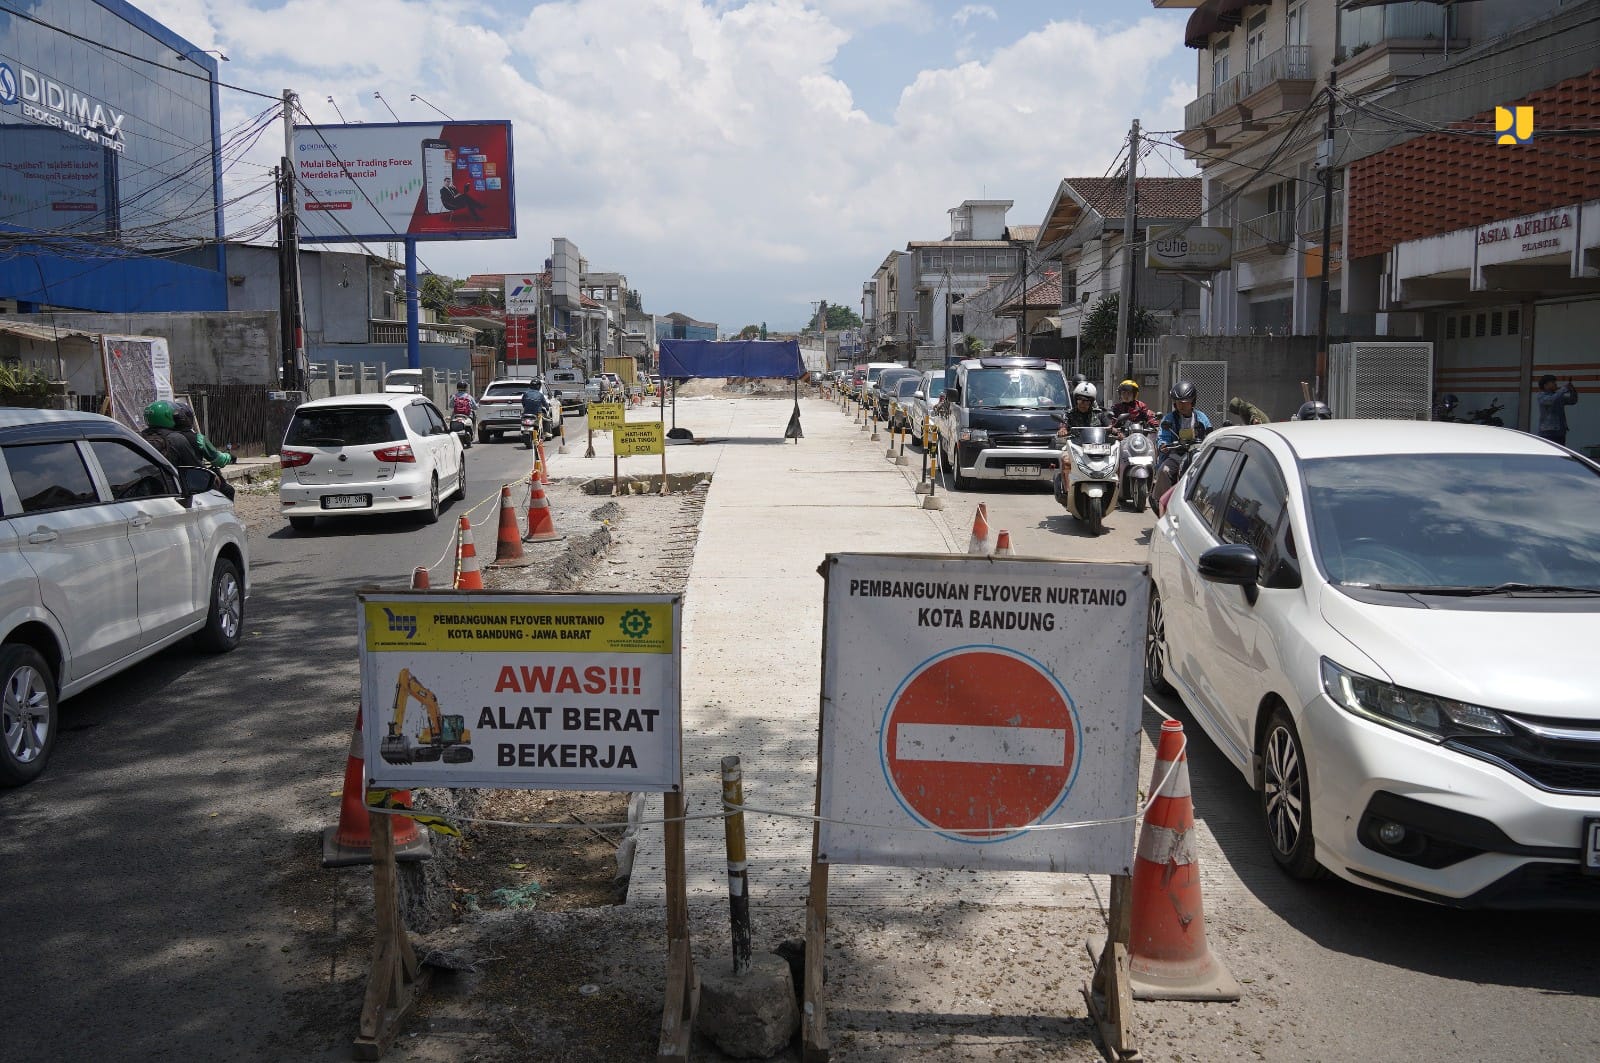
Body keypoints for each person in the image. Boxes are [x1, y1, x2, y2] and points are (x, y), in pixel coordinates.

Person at [1152, 380, 1213, 508]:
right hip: (1176, 455)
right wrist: (1163, 445)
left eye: (1185, 402)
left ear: (1193, 402)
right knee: (1164, 470)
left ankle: (1206, 505)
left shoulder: (1201, 418)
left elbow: (1209, 433)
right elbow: (1162, 436)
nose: (1181, 406)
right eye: (1178, 402)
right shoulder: (1169, 419)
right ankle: (1162, 503)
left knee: (1209, 475)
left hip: (1196, 456)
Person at [168, 401, 235, 499]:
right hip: (192, 478)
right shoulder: (197, 438)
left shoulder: (162, 437)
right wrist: (228, 456)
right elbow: (218, 460)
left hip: (169, 477)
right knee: (228, 490)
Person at [142, 400, 203, 470]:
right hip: (169, 480)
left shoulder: (139, 436)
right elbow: (194, 466)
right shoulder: (176, 438)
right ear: (167, 416)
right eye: (174, 415)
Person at [1535, 374, 1579, 445]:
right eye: (1552, 382)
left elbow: (1573, 401)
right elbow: (1551, 400)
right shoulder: (1541, 395)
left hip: (1560, 433)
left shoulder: (1557, 395)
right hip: (1547, 433)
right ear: (1545, 385)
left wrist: (1572, 390)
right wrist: (1563, 389)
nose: (1555, 384)